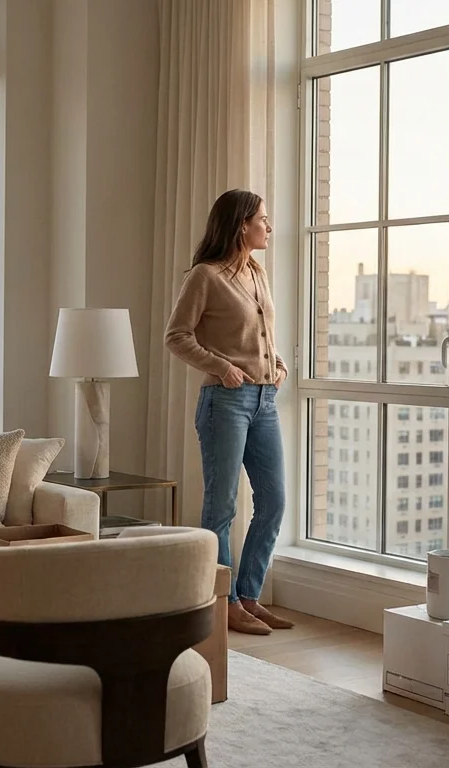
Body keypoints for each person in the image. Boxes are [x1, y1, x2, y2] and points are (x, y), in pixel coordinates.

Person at [164, 189, 292, 636]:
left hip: (265, 401)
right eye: (262, 219)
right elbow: (176, 336)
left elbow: (262, 333)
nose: (268, 227)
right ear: (242, 225)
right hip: (225, 402)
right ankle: (225, 603)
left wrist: (278, 365)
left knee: (273, 500)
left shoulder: (257, 271)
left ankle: (250, 596)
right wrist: (222, 367)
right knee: (221, 507)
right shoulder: (205, 276)